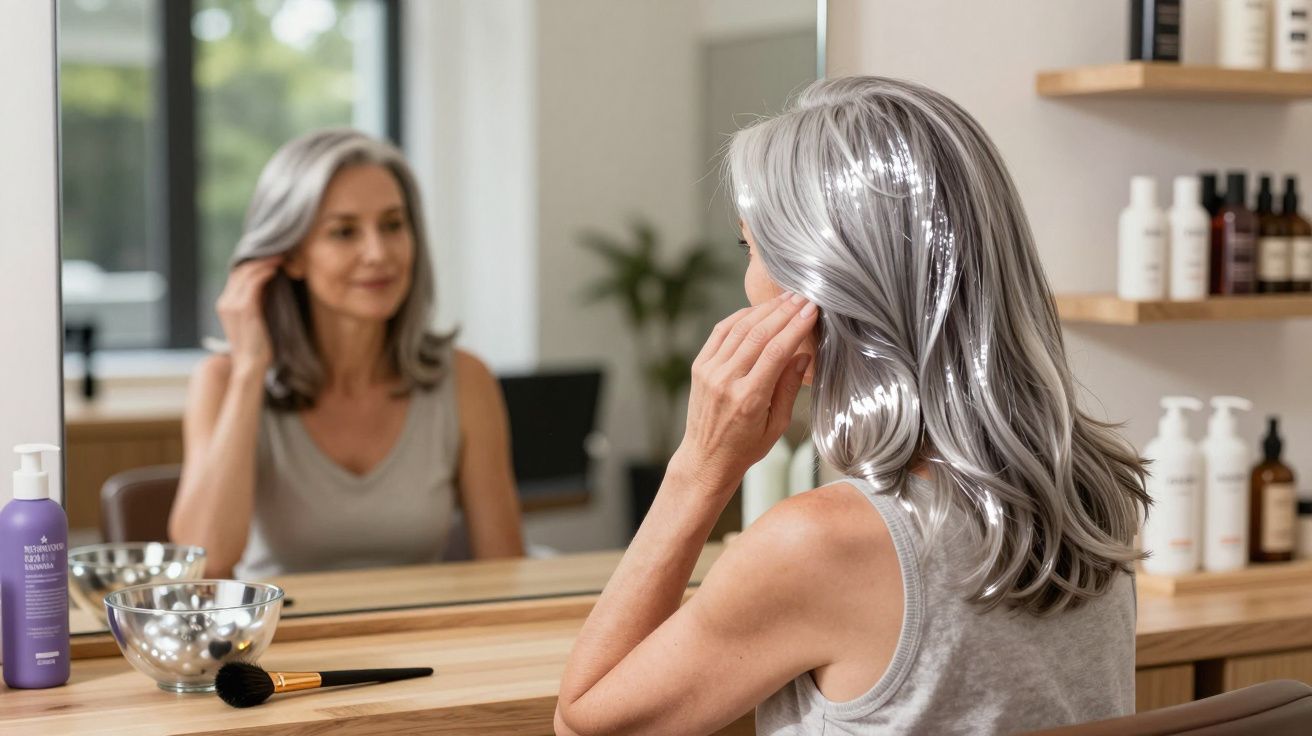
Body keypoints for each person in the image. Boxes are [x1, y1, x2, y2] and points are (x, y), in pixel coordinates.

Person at [555, 77, 1149, 735]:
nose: (749, 282)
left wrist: (699, 467)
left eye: (752, 248)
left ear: (828, 275)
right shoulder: (1093, 497)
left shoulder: (818, 545)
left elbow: (584, 726)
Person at [169, 129, 524, 578]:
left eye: (393, 225)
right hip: (274, 645)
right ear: (290, 256)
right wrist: (250, 369)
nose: (378, 253)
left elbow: (508, 571)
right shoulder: (221, 382)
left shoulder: (466, 380)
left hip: (424, 642)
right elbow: (205, 562)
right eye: (344, 232)